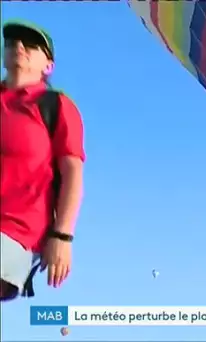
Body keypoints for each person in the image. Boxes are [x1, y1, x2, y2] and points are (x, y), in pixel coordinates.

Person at [1, 21, 85, 301]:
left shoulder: (55, 106)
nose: (19, 46)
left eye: (31, 44)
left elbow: (73, 172)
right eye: (12, 41)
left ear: (48, 66)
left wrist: (63, 237)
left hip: (17, 235)